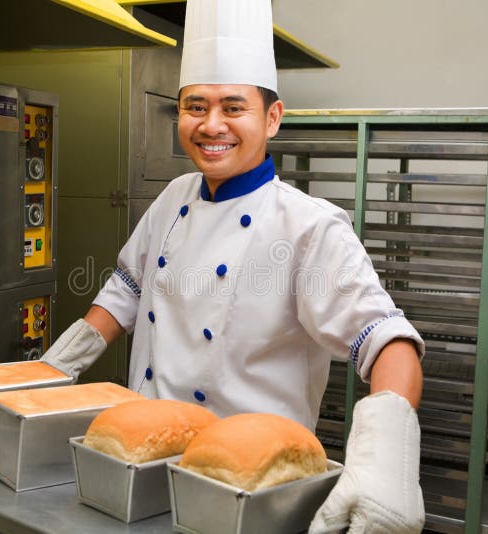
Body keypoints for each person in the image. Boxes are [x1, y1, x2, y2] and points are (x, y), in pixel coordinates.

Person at [43, 0, 424, 532]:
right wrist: (56, 368)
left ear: (272, 117)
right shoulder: (174, 196)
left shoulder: (308, 227)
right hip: (140, 471)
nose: (211, 125)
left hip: (251, 492)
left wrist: (387, 457)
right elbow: (127, 288)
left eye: (233, 107)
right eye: (195, 106)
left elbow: (387, 342)